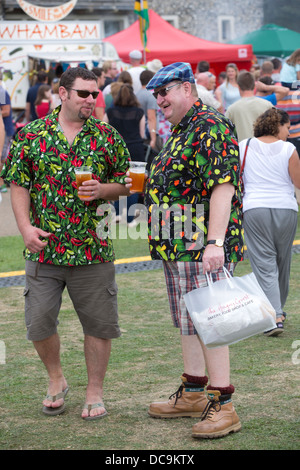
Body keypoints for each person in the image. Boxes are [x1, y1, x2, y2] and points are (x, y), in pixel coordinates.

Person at [0, 67, 131, 420]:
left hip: (93, 249)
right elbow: (17, 184)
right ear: (62, 93)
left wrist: (104, 190)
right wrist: (25, 228)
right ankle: (56, 379)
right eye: (84, 93)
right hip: (44, 248)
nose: (91, 100)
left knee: (99, 324)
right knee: (38, 322)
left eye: (95, 94)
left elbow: (127, 183)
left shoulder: (106, 136)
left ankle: (94, 391)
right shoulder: (31, 135)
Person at [130, 62, 244, 439]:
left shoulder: (209, 123)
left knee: (210, 321)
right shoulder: (182, 128)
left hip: (198, 243)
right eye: (156, 93)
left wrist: (214, 241)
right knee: (188, 320)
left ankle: (224, 404)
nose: (159, 99)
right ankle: (195, 391)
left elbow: (222, 186)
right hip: (177, 242)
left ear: (188, 89)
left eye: (166, 91)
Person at [239, 108, 300, 336]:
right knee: (282, 261)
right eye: (287, 126)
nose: (289, 131)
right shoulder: (289, 149)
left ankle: (275, 313)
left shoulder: (243, 146)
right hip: (285, 209)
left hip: (255, 208)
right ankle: (277, 312)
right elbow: (298, 183)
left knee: (264, 263)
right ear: (278, 125)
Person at [104, 83, 145, 226]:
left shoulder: (110, 111)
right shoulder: (139, 112)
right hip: (135, 147)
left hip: (116, 149)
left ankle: (116, 212)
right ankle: (129, 218)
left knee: (117, 180)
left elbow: (104, 131)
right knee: (134, 183)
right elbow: (142, 133)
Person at [225, 71, 273, 142]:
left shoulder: (231, 109)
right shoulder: (267, 105)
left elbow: (225, 132)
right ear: (254, 86)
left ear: (238, 87)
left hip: (243, 150)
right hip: (264, 148)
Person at [136, 69, 158, 150]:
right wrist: (153, 138)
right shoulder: (150, 95)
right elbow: (151, 118)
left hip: (138, 132)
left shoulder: (136, 94)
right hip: (148, 133)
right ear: (150, 80)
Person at [0, 78, 14, 192]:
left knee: (3, 156)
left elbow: (6, 111)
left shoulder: (1, 92)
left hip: (5, 129)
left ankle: (4, 182)